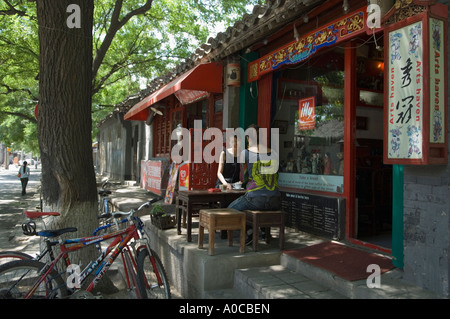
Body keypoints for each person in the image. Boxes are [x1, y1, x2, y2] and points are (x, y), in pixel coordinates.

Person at [227, 124, 280, 245]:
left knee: (230, 209)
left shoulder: (245, 153)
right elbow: (277, 175)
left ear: (247, 138)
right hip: (275, 200)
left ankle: (250, 233)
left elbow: (242, 178)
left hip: (256, 198)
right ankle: (262, 231)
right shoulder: (274, 153)